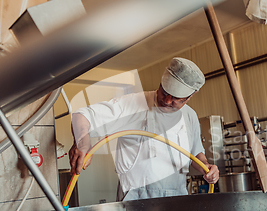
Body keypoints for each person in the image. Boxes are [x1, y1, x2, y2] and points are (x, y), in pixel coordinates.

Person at [69, 57, 219, 201]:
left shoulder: (190, 115)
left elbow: (196, 153)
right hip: (135, 199)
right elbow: (81, 116)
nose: (167, 101)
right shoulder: (132, 104)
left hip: (177, 198)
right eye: (165, 91)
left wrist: (207, 167)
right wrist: (82, 143)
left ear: (190, 96)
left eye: (176, 98)